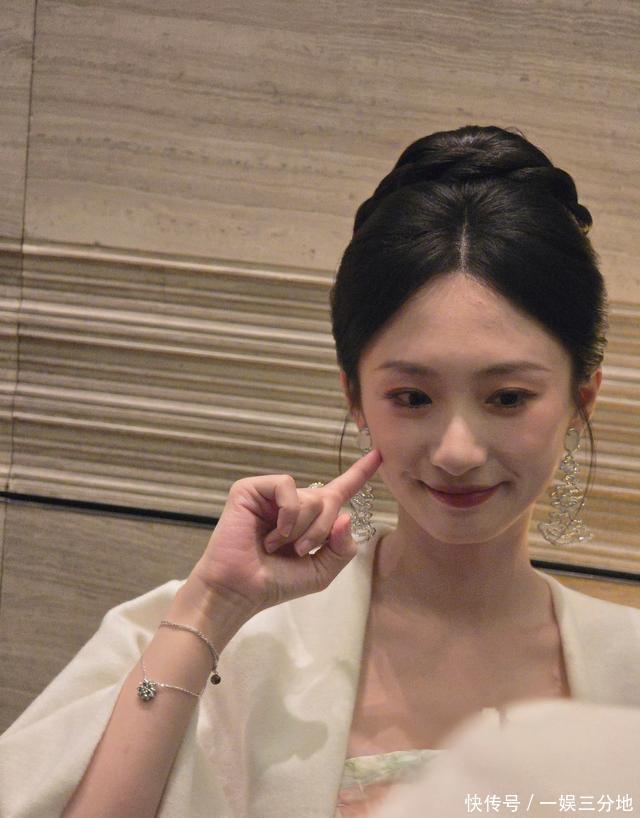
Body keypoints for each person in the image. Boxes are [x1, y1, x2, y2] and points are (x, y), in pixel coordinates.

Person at [1, 124, 639, 818]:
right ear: (355, 398)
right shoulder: (231, 639)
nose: (457, 450)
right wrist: (211, 608)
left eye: (507, 398)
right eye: (412, 397)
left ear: (582, 397)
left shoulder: (627, 669)